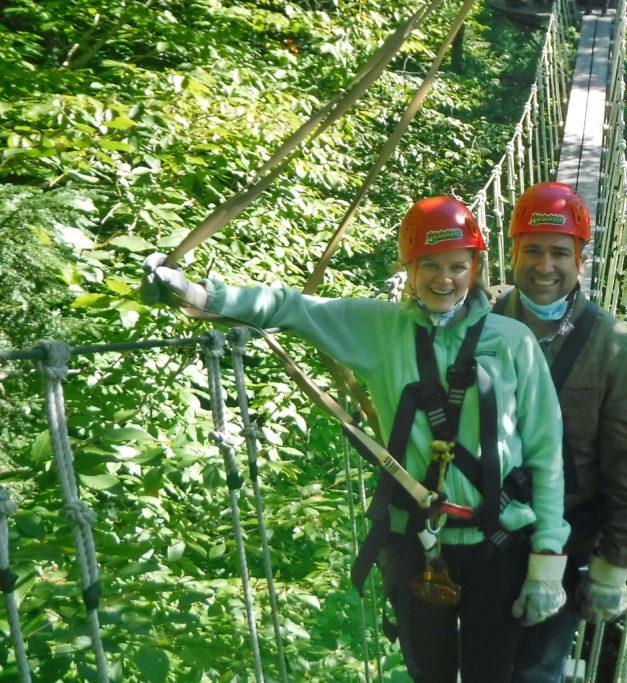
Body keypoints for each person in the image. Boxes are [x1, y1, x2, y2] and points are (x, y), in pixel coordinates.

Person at [142, 197, 571, 683]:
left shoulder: (513, 341)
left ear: (476, 266)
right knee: (428, 674)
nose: (443, 279)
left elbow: (545, 452)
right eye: (428, 265)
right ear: (408, 268)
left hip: (497, 546)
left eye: (457, 265)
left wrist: (548, 561)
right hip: (416, 543)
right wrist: (200, 297)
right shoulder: (380, 330)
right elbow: (292, 308)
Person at [491, 182, 627, 682]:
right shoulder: (478, 319)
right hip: (481, 533)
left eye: (560, 253)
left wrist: (613, 566)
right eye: (532, 251)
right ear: (513, 253)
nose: (545, 267)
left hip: (567, 536)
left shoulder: (615, 347)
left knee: (536, 672)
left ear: (581, 260)